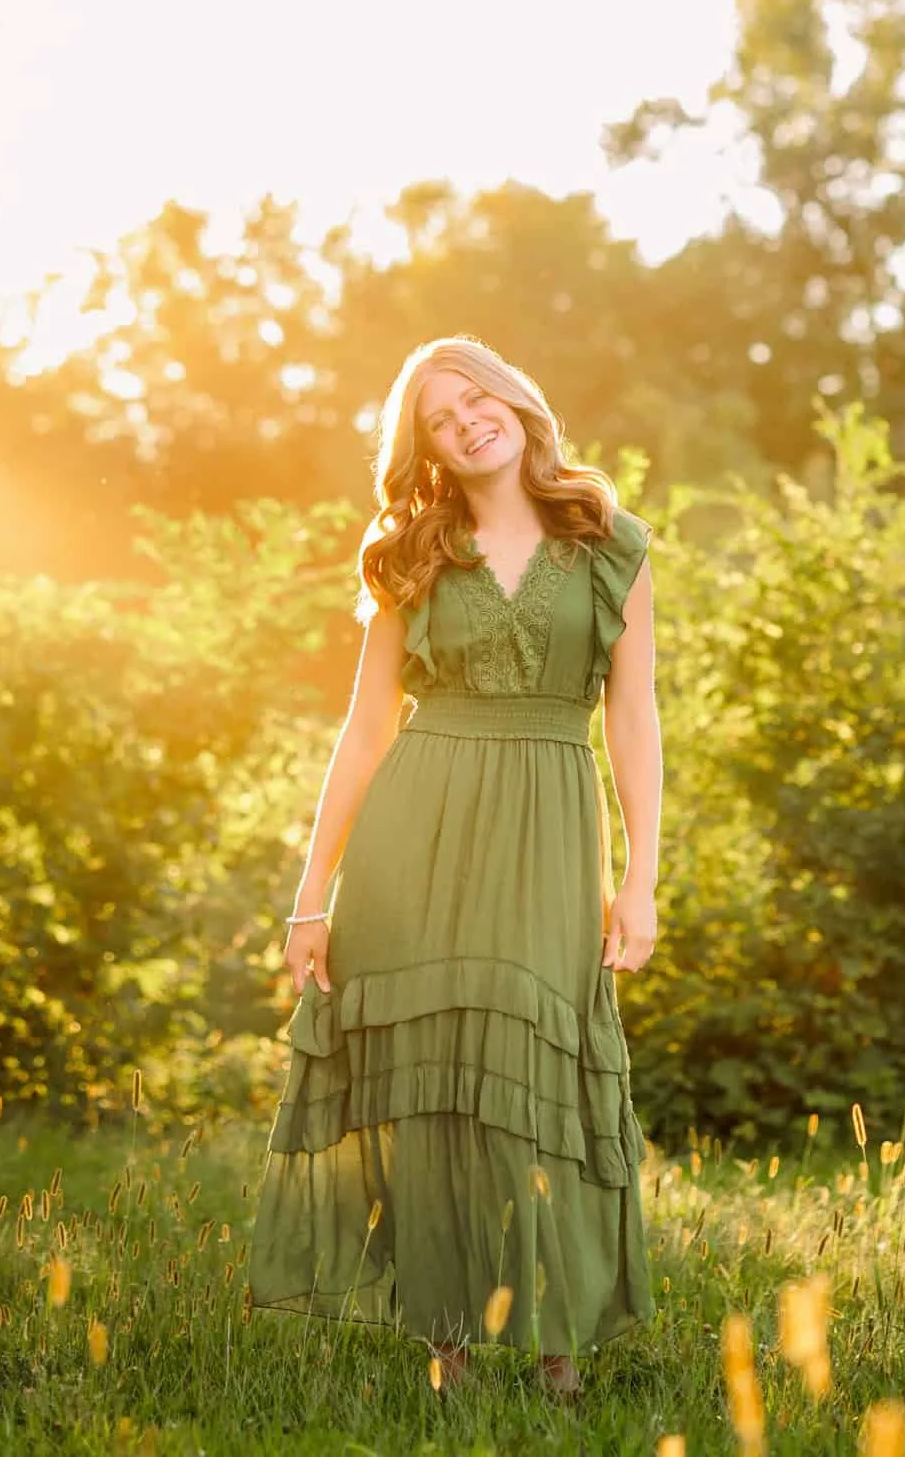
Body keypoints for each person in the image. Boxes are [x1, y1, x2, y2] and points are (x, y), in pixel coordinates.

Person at [249, 336, 662, 1394]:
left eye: (476, 396)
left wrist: (640, 876)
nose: (467, 419)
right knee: (432, 1089)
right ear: (423, 444)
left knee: (539, 1076)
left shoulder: (607, 539)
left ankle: (556, 1342)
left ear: (517, 402)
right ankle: (449, 1341)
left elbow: (631, 716)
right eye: (440, 415)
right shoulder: (407, 553)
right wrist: (311, 896)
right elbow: (363, 730)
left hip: (548, 823)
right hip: (417, 828)